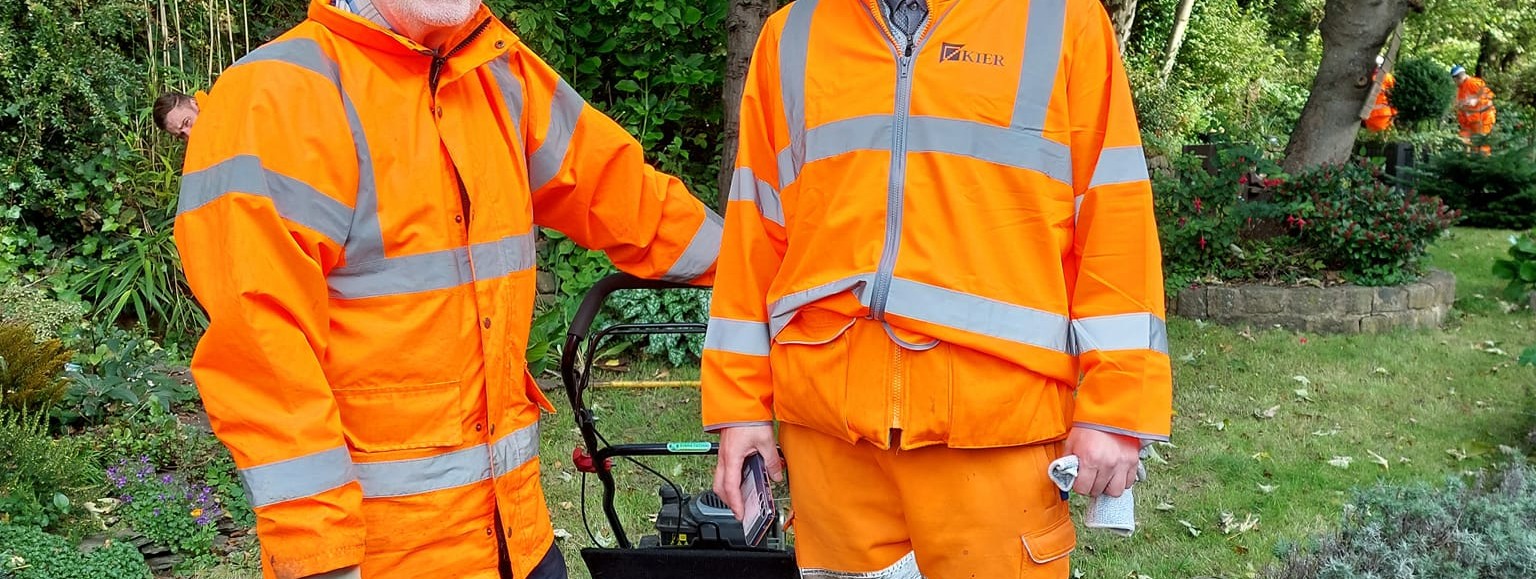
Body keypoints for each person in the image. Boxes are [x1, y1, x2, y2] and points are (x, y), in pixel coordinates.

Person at [172, 0, 723, 577]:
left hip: (518, 537)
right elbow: (261, 356)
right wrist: (320, 561)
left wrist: (764, 274)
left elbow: (629, 199)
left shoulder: (497, 72)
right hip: (381, 558)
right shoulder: (274, 95)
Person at [701, 0, 1172, 577]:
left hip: (997, 432)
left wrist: (1117, 409)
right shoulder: (792, 35)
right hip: (831, 442)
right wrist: (739, 408)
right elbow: (756, 232)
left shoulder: (1062, 19)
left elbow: (1115, 220)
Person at [1452, 64, 1497, 153]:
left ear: (1458, 78)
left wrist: (1473, 104)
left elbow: (1488, 101)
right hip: (1470, 122)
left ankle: (1483, 164)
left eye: (1455, 81)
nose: (1455, 83)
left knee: (1481, 145)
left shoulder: (1473, 83)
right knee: (1466, 142)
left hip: (1482, 119)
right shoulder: (1461, 87)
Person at [1365, 56, 1396, 133]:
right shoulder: (1389, 77)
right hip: (1384, 115)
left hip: (1371, 116)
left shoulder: (1369, 78)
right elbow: (1394, 95)